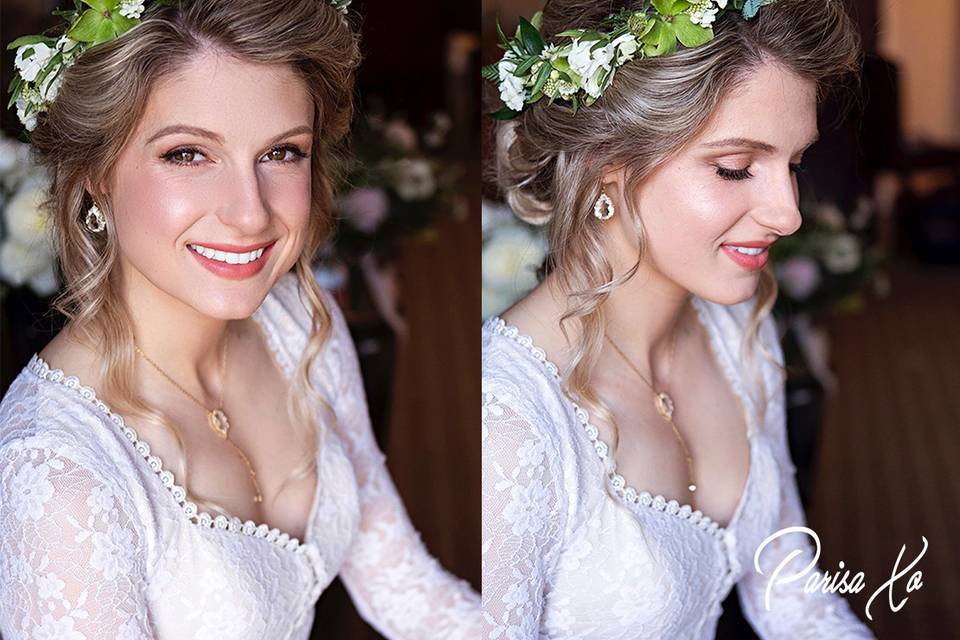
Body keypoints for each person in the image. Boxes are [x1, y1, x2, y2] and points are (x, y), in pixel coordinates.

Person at [0, 1, 480, 638]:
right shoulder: (60, 475)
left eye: (282, 153)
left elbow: (403, 585)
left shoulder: (301, 325)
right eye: (189, 154)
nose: (251, 214)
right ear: (95, 175)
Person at [481, 0, 876, 637]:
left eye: (794, 164)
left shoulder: (738, 328)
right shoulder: (506, 422)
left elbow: (790, 596)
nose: (789, 212)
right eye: (736, 168)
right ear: (607, 160)